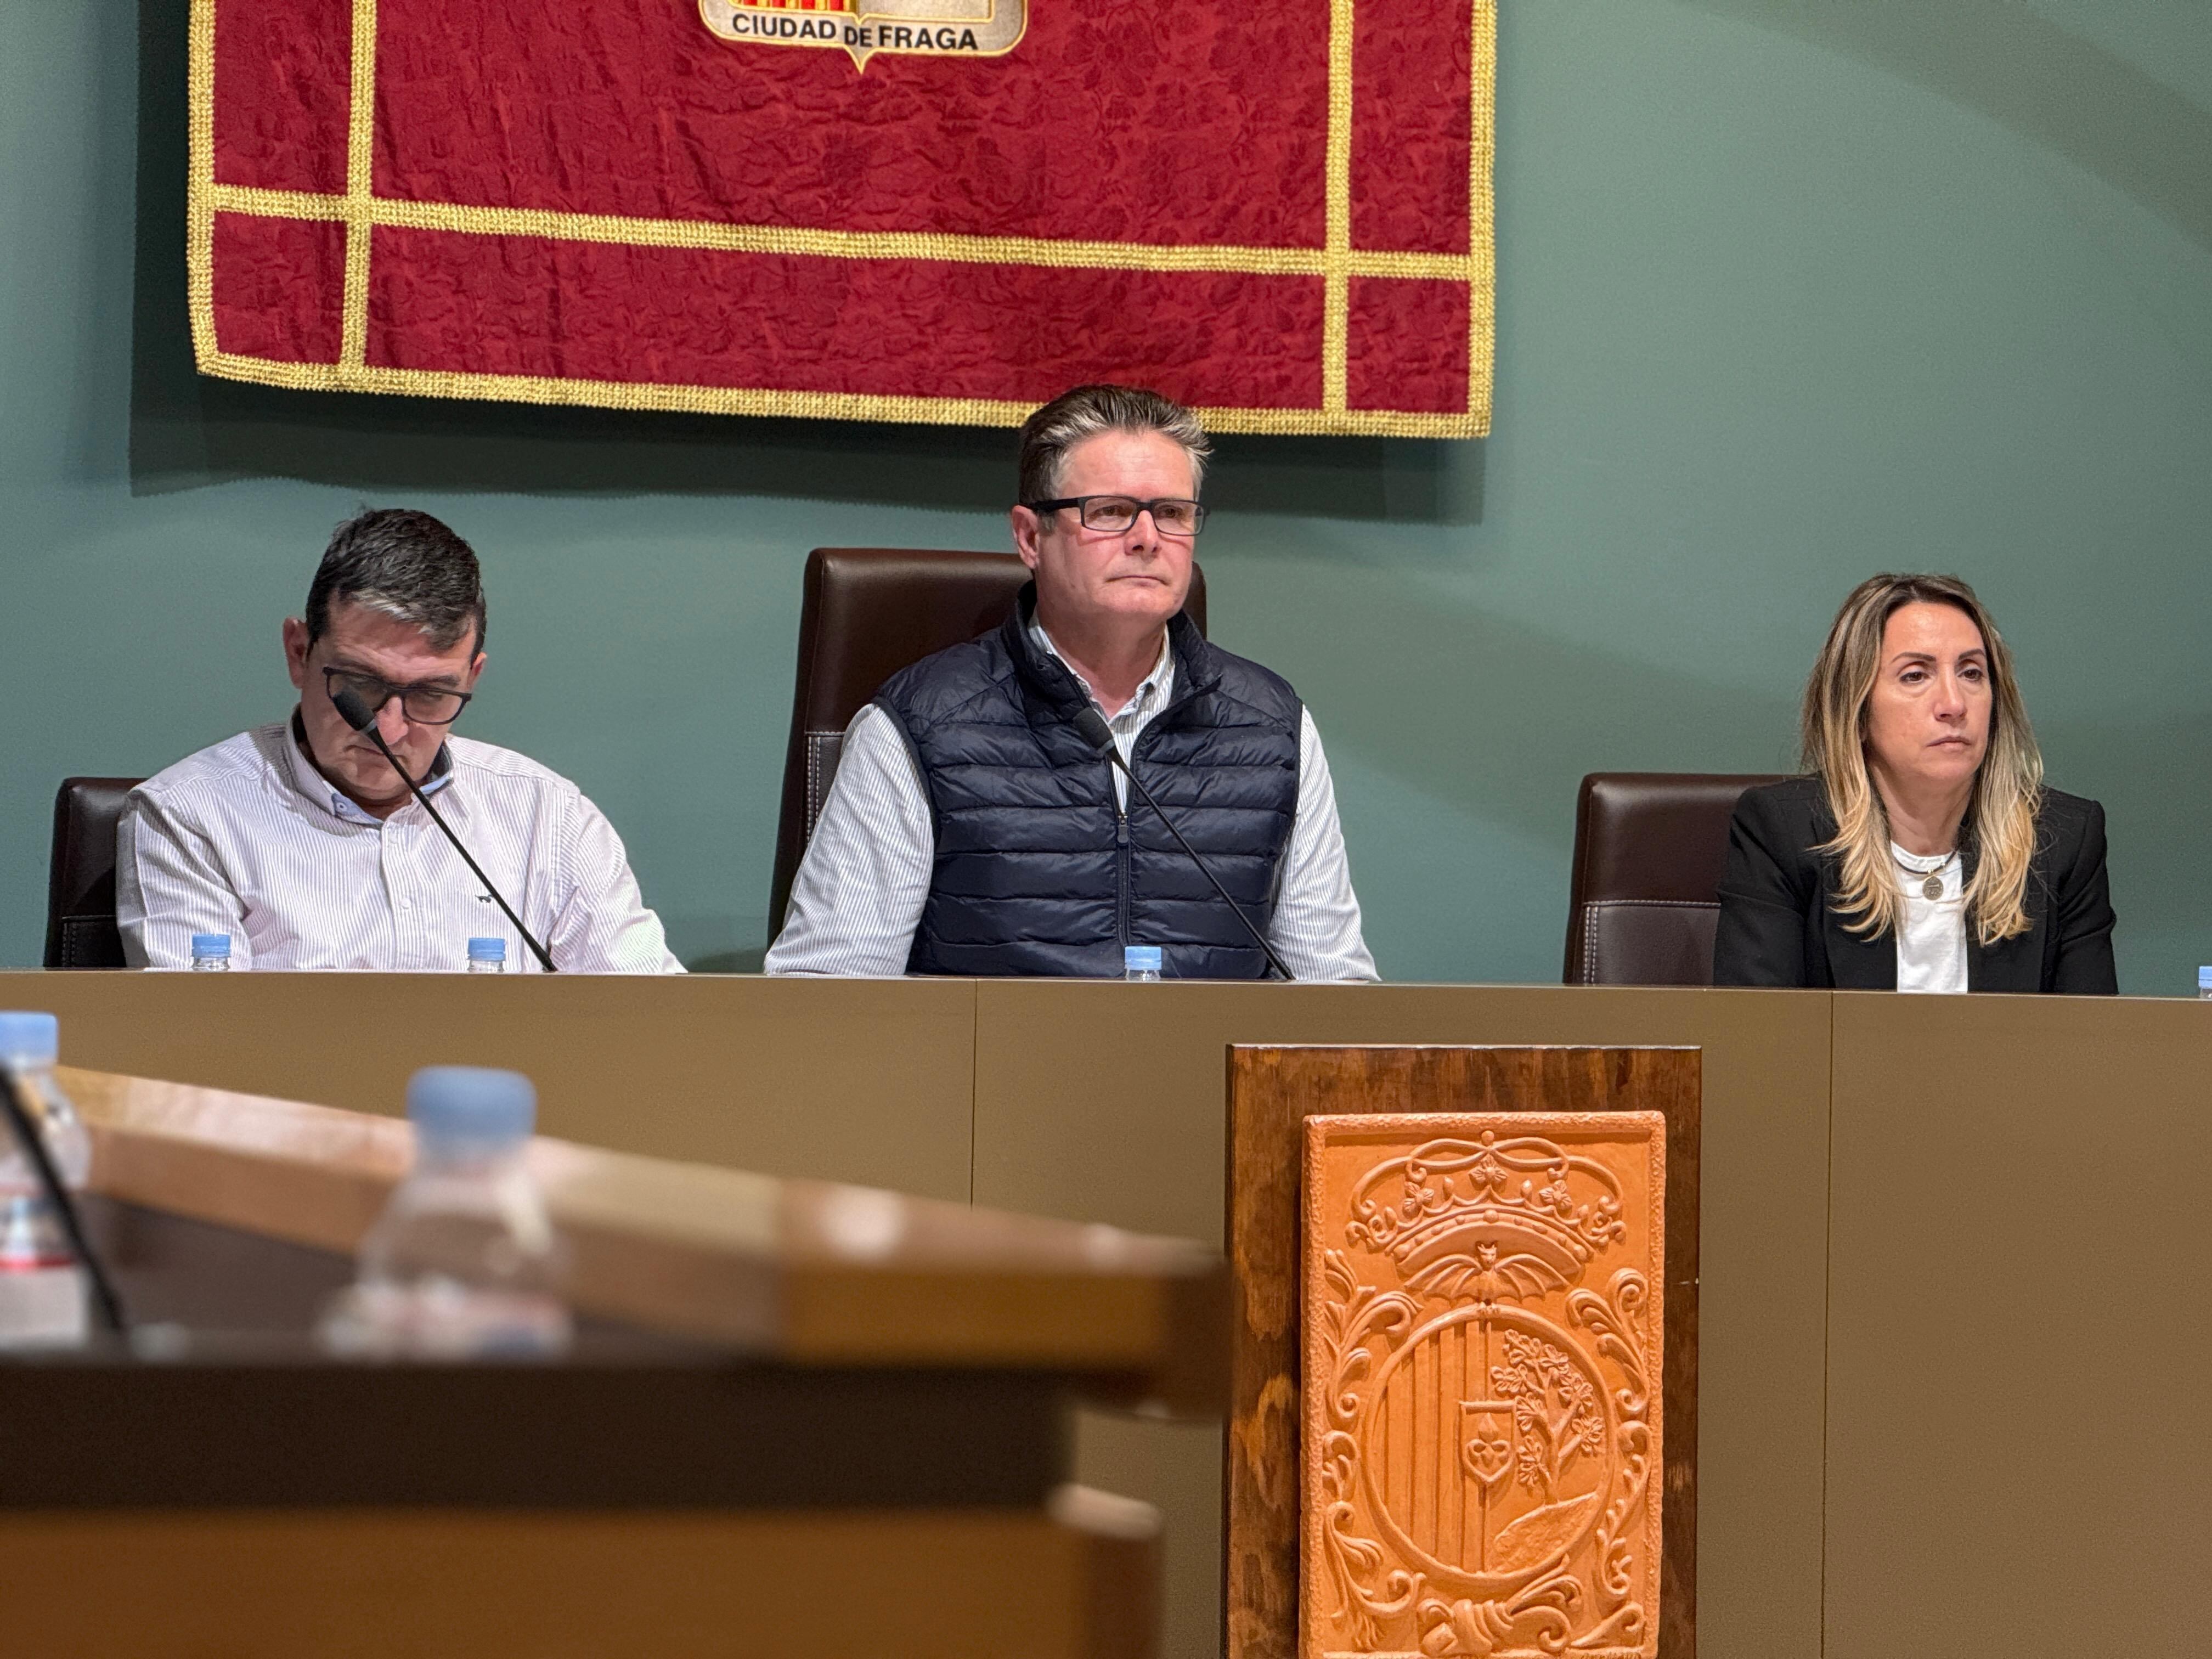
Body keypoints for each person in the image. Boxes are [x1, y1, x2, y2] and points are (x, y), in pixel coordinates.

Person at [768, 384, 1376, 980]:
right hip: (988, 1078)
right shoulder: (918, 726)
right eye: (1110, 512)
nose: (1147, 539)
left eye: (1172, 513)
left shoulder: (1273, 726)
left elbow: (1333, 996)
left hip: (1205, 1079)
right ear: (1032, 537)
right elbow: (829, 994)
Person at [117, 509, 683, 973]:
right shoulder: (190, 816)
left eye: (432, 695)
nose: (388, 728)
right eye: (360, 687)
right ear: (299, 654)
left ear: (473, 678)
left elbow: (654, 1024)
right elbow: (200, 1056)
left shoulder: (549, 818)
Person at [1713, 572, 2114, 993]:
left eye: (1972, 673)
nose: (1954, 704)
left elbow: (2091, 1046)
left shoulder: (2064, 840)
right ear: (1857, 708)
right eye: (1915, 676)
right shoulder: (1784, 833)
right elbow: (1760, 1039)